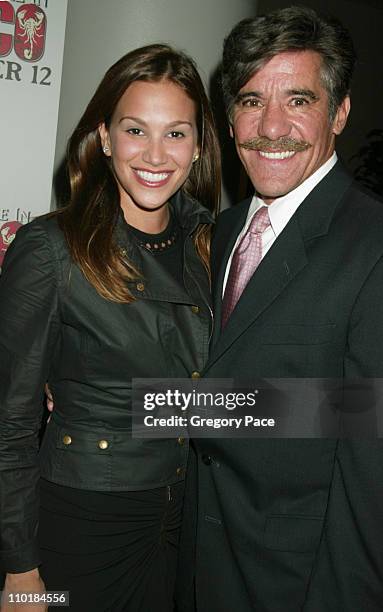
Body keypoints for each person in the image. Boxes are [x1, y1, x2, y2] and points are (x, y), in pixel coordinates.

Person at [0, 44, 220, 612]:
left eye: (176, 133)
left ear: (198, 147)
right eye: (134, 130)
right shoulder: (52, 248)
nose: (155, 154)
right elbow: (10, 421)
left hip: (185, 518)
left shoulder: (215, 247)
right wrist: (19, 572)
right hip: (82, 522)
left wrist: (339, 408)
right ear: (104, 137)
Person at [176, 7, 383, 612]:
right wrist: (104, 397)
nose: (271, 126)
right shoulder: (224, 230)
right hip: (197, 567)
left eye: (297, 100)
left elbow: (371, 476)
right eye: (249, 100)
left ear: (339, 112)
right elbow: (227, 401)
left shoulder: (373, 246)